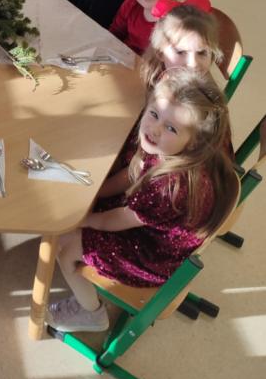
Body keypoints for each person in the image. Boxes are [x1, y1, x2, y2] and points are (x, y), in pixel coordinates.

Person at [46, 68, 237, 333]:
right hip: (148, 225)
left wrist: (82, 220)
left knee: (65, 245)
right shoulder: (169, 149)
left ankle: (89, 312)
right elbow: (133, 172)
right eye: (154, 114)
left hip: (153, 254)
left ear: (194, 143)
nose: (154, 129)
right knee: (82, 208)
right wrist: (96, 191)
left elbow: (115, 219)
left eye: (171, 127)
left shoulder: (170, 187)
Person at [140, 0, 220, 89]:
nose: (193, 63)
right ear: (160, 53)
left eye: (202, 53)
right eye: (181, 52)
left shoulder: (202, 94)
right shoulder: (159, 78)